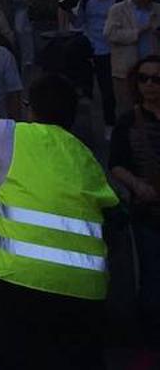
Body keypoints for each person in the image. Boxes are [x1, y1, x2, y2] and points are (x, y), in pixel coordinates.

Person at [0, 74, 118, 370]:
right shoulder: (86, 156)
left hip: (21, 283)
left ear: (30, 109)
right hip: (83, 292)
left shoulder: (12, 134)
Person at [109, 56, 160, 341]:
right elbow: (116, 162)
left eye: (156, 79)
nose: (150, 85)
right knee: (152, 277)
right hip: (147, 212)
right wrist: (137, 185)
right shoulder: (128, 121)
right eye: (144, 78)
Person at [105, 0, 160, 113]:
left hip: (154, 71)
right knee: (127, 110)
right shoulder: (118, 10)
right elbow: (110, 34)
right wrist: (137, 32)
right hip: (126, 71)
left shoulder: (158, 9)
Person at [75, 0, 118, 128]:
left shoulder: (117, 0)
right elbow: (78, 23)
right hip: (91, 47)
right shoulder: (87, 0)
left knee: (107, 88)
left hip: (109, 49)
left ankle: (110, 123)